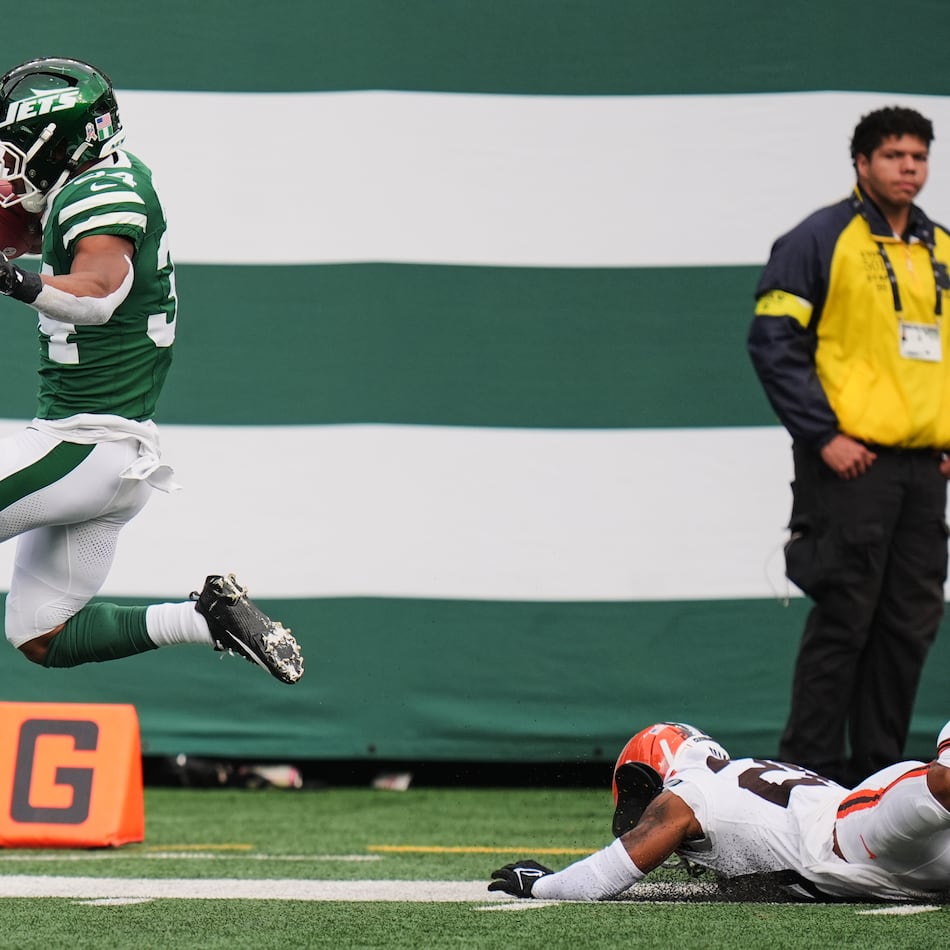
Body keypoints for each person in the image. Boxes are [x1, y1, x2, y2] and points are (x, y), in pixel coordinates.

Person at [0, 57, 303, 684]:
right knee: (40, 634)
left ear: (65, 145)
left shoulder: (103, 195)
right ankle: (208, 619)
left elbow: (97, 294)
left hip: (81, 447)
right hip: (112, 454)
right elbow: (29, 230)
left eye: (19, 152)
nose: (9, 167)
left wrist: (12, 279)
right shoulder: (95, 182)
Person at [746, 106, 950, 786]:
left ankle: (880, 780)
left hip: (925, 472)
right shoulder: (818, 238)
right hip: (849, 465)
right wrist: (823, 434)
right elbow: (773, 342)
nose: (909, 169)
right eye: (894, 156)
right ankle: (805, 775)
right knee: (844, 620)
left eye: (918, 157)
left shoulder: (941, 248)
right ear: (861, 164)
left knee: (908, 627)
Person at [488, 721, 950, 903]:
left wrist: (543, 885)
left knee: (943, 780)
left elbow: (609, 873)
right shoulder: (733, 774)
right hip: (878, 853)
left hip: (851, 836)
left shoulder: (691, 792)